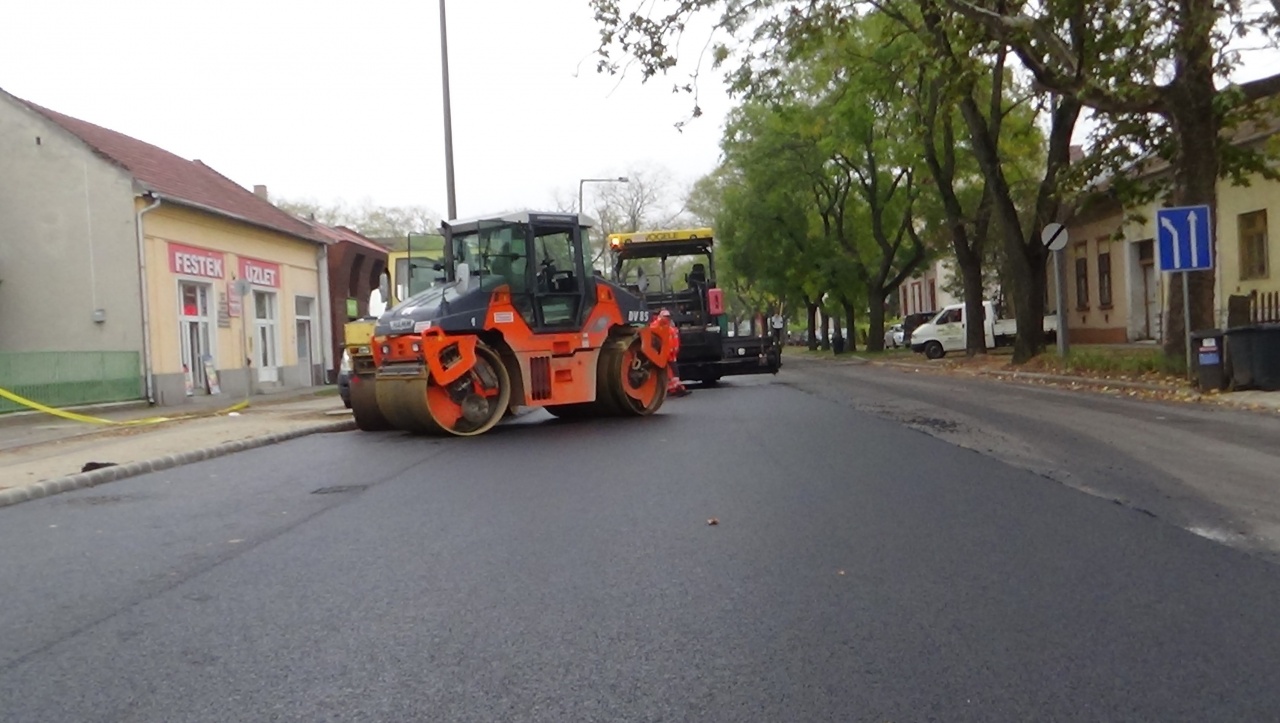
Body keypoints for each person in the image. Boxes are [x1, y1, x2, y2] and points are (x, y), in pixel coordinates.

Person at [651, 309, 690, 397]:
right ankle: (677, 389)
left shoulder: (669, 326)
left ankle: (675, 388)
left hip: (671, 354)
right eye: (666, 317)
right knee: (671, 373)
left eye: (668, 317)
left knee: (673, 374)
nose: (667, 319)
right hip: (666, 354)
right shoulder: (657, 326)